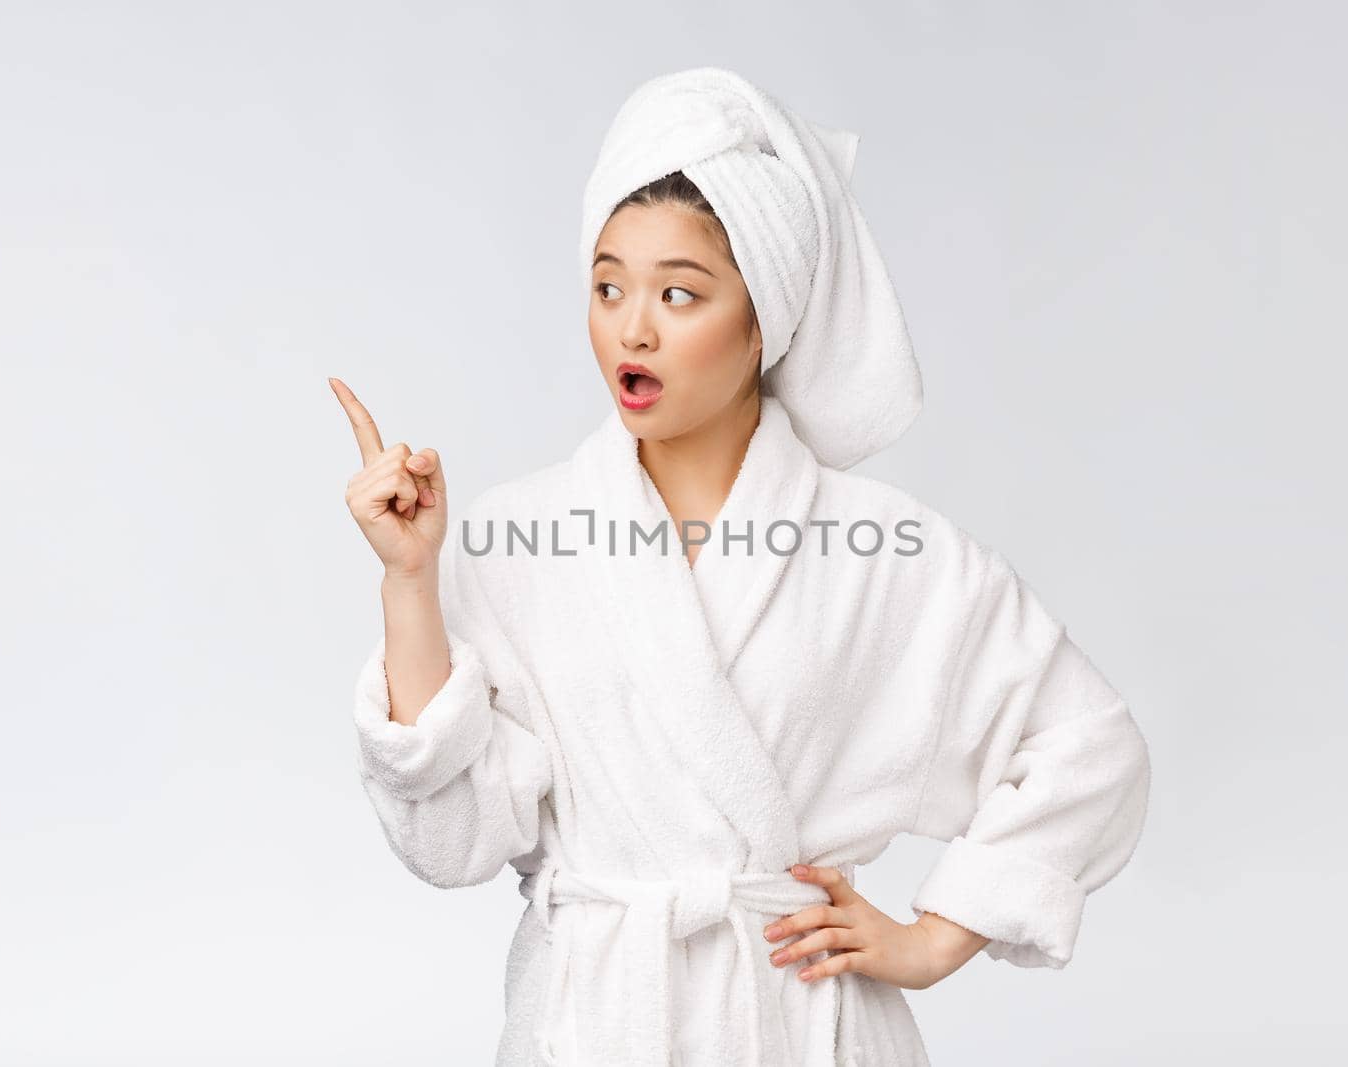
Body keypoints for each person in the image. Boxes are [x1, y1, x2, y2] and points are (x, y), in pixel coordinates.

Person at [333, 68, 1151, 1066]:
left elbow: (1090, 747)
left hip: (802, 1025)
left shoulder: (886, 551)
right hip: (596, 1023)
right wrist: (409, 580)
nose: (631, 326)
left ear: (764, 319)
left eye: (679, 293)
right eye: (607, 286)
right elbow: (447, 843)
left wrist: (940, 932)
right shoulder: (516, 538)